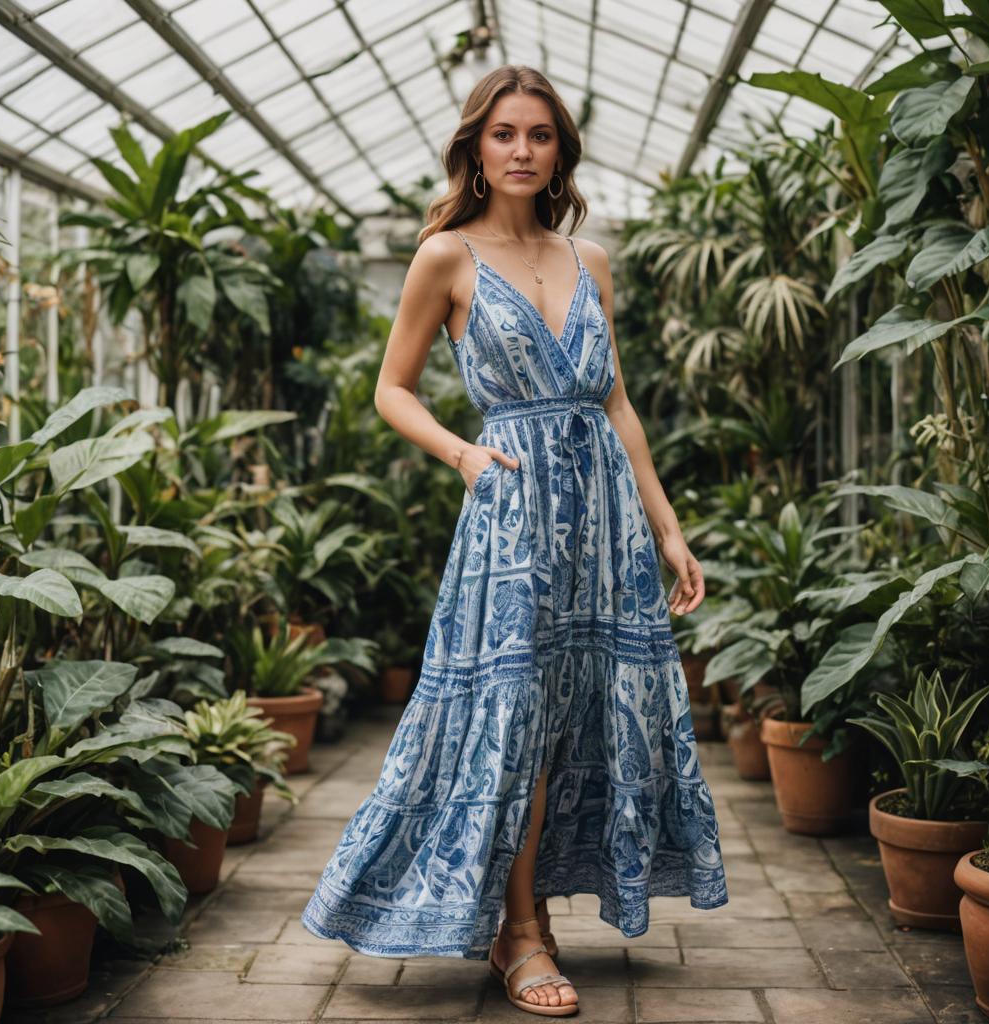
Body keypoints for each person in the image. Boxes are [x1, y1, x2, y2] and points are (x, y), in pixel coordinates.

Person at [302, 63, 727, 1018]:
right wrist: (463, 454)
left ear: (559, 150)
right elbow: (392, 388)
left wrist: (666, 526)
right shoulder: (445, 256)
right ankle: (520, 932)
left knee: (586, 709)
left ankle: (528, 914)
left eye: (540, 134)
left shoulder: (593, 261)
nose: (524, 149)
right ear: (477, 148)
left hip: (606, 518)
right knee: (516, 713)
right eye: (505, 134)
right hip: (512, 510)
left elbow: (613, 398)